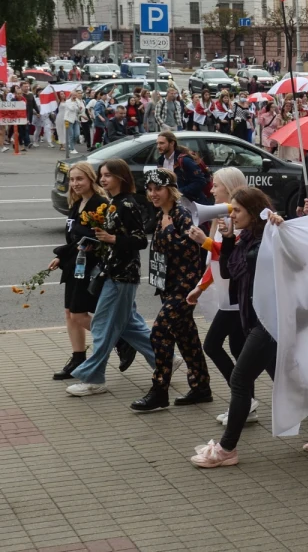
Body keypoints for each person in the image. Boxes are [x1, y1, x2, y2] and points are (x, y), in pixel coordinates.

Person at [190, 188, 308, 468]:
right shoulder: (245, 238)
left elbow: (300, 264)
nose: (231, 215)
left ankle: (227, 449)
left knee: (240, 380)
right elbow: (229, 273)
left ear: (253, 212)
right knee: (288, 379)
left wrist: (283, 229)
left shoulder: (273, 235)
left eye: (237, 210)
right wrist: (226, 241)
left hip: (272, 321)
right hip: (255, 319)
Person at [65, 159, 156, 396]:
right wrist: (94, 245)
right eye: (101, 175)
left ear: (121, 178)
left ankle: (94, 379)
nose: (103, 179)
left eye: (108, 175)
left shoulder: (127, 203)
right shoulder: (113, 203)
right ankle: (165, 360)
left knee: (103, 326)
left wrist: (111, 239)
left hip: (123, 274)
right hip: (111, 271)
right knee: (130, 325)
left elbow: (140, 240)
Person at [130, 169, 210, 412]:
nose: (153, 194)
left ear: (170, 190)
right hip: (169, 286)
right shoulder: (163, 213)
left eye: (158, 189)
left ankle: (159, 390)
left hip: (183, 289)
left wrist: (167, 232)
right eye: (150, 189)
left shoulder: (181, 215)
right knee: (186, 337)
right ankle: (200, 387)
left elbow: (193, 253)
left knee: (159, 333)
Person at [185, 169, 251, 423]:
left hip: (236, 296)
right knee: (237, 349)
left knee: (213, 345)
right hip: (228, 296)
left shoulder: (238, 216)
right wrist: (200, 287)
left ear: (231, 187)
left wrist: (205, 242)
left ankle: (243, 399)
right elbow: (216, 262)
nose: (211, 190)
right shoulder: (221, 216)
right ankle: (245, 403)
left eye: (217, 186)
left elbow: (232, 254)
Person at [48, 163, 108, 380]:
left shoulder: (99, 204)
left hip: (89, 266)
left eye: (79, 179)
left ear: (90, 179)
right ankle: (78, 357)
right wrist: (61, 256)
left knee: (79, 314)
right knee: (69, 313)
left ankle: (118, 339)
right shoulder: (77, 203)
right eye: (72, 180)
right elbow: (74, 239)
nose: (75, 184)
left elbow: (99, 237)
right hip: (74, 264)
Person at [156, 131, 213, 206]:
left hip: (192, 203)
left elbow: (200, 182)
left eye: (162, 143)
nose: (158, 146)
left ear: (172, 143)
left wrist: (178, 192)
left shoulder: (185, 160)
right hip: (174, 204)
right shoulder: (161, 160)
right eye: (157, 143)